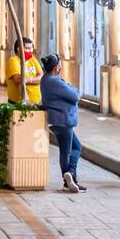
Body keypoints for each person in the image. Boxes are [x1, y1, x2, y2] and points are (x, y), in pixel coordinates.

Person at [40, 54, 84, 193]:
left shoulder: (45, 79)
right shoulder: (55, 81)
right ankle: (70, 175)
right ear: (55, 68)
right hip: (63, 119)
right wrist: (72, 87)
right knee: (70, 149)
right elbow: (75, 95)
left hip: (55, 120)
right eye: (59, 65)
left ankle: (69, 179)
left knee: (71, 148)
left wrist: (69, 86)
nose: (60, 68)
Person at [5, 37, 43, 105]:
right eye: (27, 48)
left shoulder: (33, 59)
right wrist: (34, 79)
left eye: (31, 48)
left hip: (36, 102)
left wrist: (28, 80)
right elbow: (18, 80)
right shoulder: (13, 61)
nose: (30, 51)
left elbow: (41, 77)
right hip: (19, 103)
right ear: (19, 48)